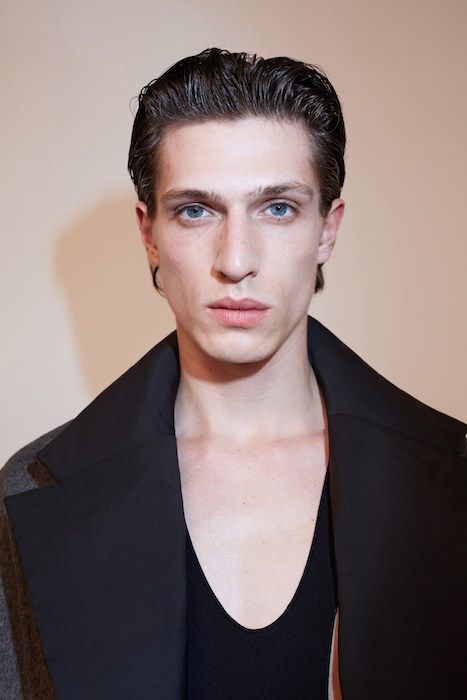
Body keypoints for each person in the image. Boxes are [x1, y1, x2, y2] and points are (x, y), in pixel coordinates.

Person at [1, 48, 465, 700]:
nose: (236, 260)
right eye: (196, 210)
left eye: (277, 208)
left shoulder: (449, 477)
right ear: (149, 234)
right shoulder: (29, 489)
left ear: (327, 230)